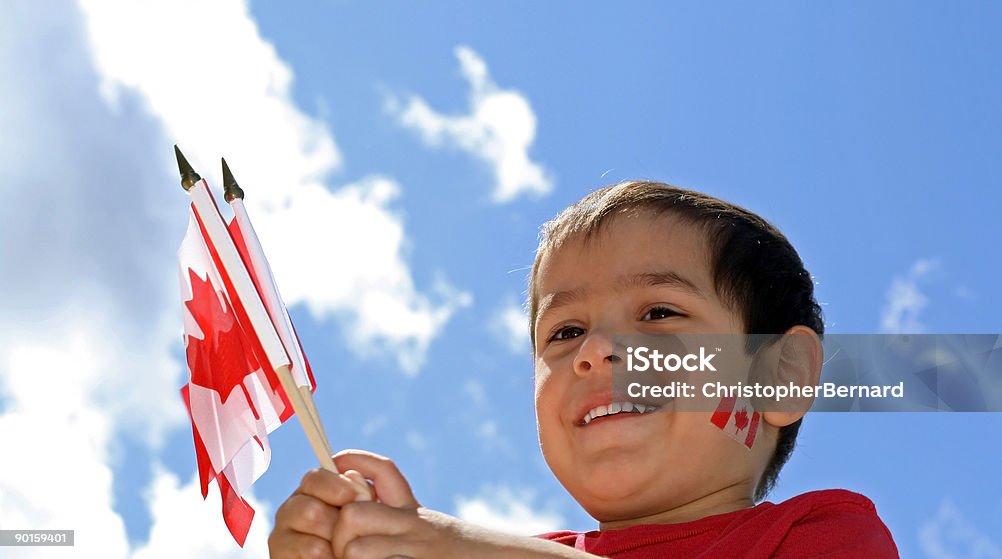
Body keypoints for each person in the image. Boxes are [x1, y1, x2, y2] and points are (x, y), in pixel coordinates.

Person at [268, 181, 900, 558]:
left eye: (658, 312)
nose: (594, 351)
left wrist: (448, 545)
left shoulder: (823, 534)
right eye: (564, 331)